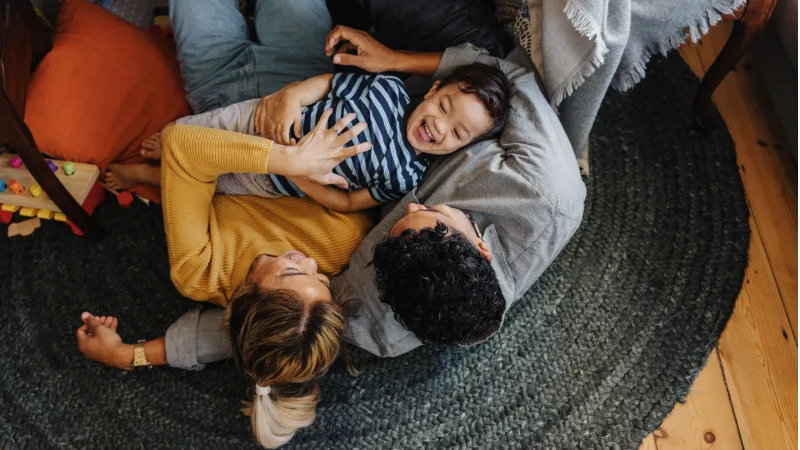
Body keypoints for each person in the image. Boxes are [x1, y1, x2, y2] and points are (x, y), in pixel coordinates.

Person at [75, 0, 376, 447]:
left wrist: (288, 162)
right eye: (324, 282)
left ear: (243, 296)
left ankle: (150, 176)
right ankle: (152, 177)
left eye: (295, 270)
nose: (313, 264)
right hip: (302, 84)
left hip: (221, 94)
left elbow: (183, 145)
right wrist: (290, 132)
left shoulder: (199, 273)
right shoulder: (343, 244)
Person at [105, 62, 511, 214]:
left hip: (269, 178)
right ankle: (175, 141)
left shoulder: (406, 175)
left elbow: (350, 203)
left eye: (458, 133)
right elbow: (328, 85)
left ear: (463, 148)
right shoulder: (386, 90)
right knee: (198, 131)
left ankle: (145, 174)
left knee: (207, 180)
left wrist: (299, 176)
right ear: (432, 90)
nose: (440, 127)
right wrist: (294, 96)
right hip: (262, 123)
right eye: (444, 107)